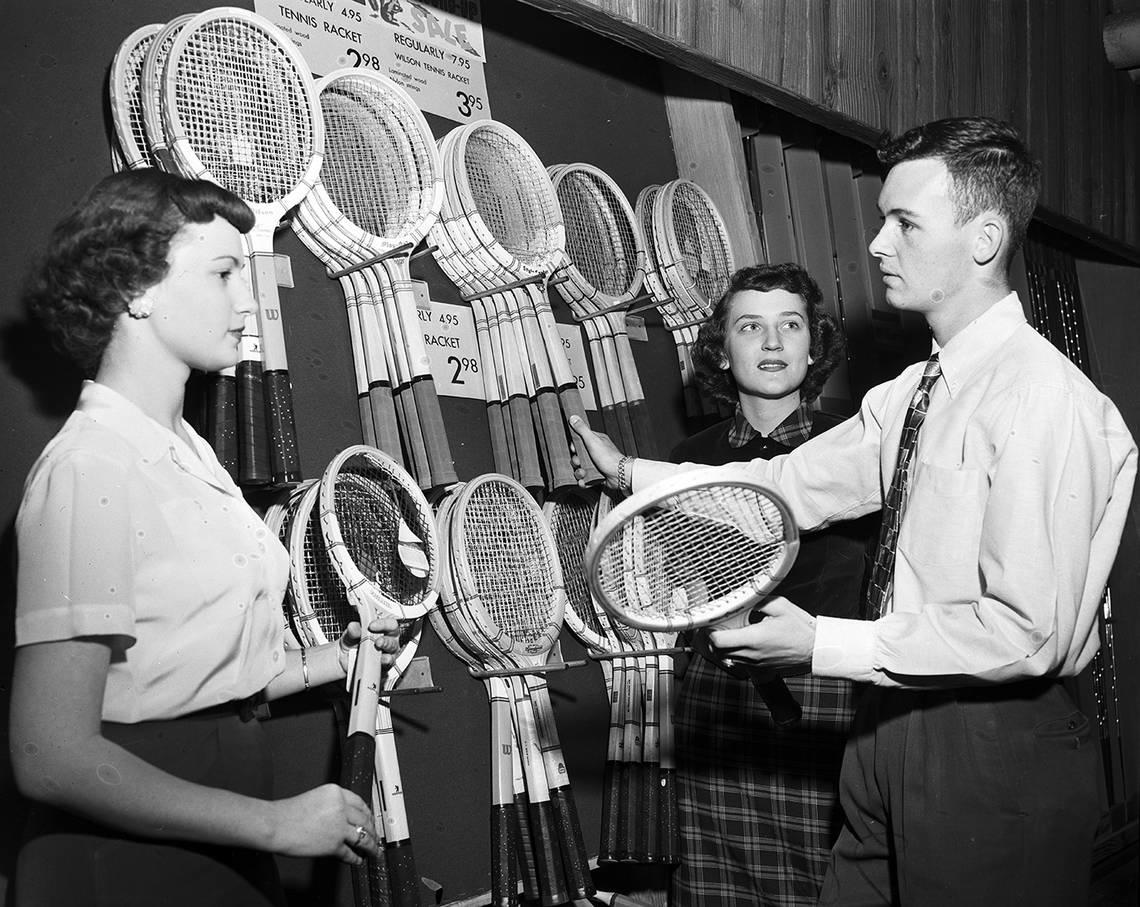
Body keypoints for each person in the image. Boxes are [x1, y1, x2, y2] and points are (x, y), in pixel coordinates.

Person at [571, 116, 1137, 905]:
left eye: (905, 223)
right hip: (889, 721)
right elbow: (787, 489)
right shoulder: (915, 391)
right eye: (882, 221)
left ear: (983, 239)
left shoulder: (1042, 398)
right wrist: (634, 471)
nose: (877, 244)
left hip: (991, 738)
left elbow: (1026, 631)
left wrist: (819, 642)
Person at [9, 169, 402, 907]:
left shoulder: (190, 451)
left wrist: (339, 655)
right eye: (223, 273)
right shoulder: (91, 464)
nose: (246, 301)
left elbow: (197, 669)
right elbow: (49, 754)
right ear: (137, 289)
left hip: (219, 820)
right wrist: (276, 825)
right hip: (126, 853)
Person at [668, 262, 875, 907]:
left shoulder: (859, 442)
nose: (773, 342)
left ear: (814, 347)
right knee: (717, 882)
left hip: (826, 688)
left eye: (791, 325)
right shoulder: (685, 460)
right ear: (721, 352)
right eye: (749, 327)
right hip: (717, 693)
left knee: (826, 875)